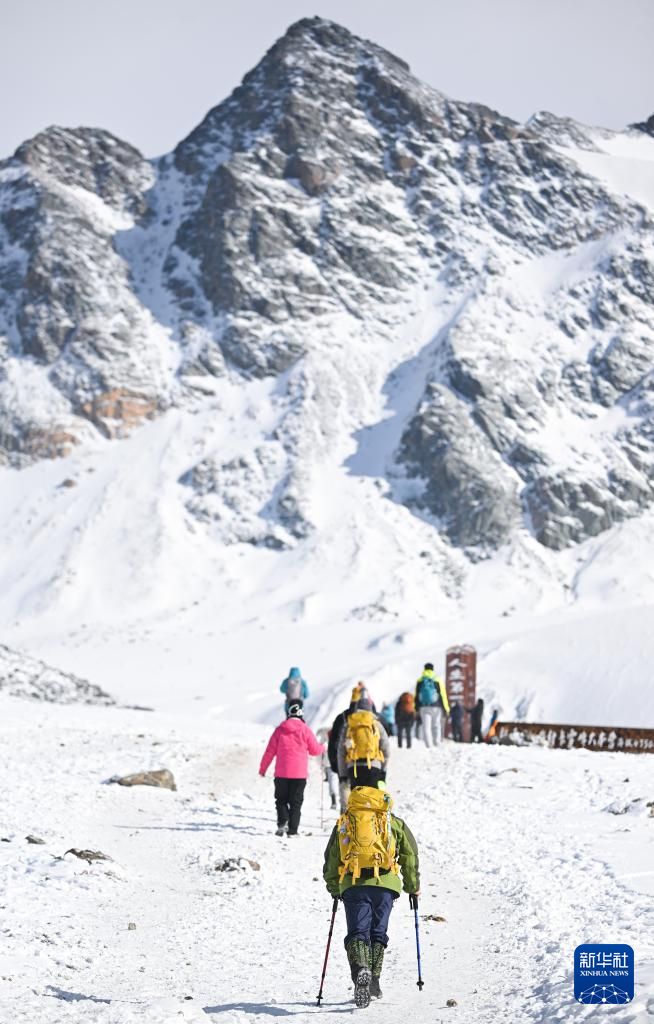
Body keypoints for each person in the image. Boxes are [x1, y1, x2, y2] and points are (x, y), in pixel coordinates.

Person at [323, 781, 420, 1006]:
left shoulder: (345, 822)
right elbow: (410, 854)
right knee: (378, 933)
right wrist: (413, 886)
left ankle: (360, 970)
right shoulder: (392, 821)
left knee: (358, 933)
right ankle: (374, 982)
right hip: (385, 886)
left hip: (354, 885)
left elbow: (332, 858)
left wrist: (334, 888)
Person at [259, 702, 323, 836]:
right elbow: (315, 751)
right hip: (299, 774)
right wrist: (323, 747)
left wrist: (263, 769)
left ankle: (283, 822)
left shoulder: (280, 729)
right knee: (296, 803)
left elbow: (270, 751)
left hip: (281, 774)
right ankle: (293, 831)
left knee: (281, 800)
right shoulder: (305, 730)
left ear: (289, 714)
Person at [337, 694, 390, 790]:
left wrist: (343, 775)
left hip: (354, 768)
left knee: (356, 797)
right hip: (373, 767)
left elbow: (341, 752)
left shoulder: (349, 725)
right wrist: (383, 771)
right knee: (372, 797)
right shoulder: (376, 724)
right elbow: (386, 750)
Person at [414, 662, 450, 748]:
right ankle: (436, 743)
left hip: (424, 707)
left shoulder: (420, 680)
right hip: (436, 706)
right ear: (432, 669)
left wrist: (416, 708)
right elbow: (443, 695)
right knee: (436, 725)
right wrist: (446, 708)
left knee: (426, 727)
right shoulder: (437, 679)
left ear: (425, 669)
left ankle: (428, 746)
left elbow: (416, 695)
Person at [317, 727, 339, 810]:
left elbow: (321, 747)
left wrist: (321, 762)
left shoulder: (326, 734)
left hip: (330, 761)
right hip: (339, 761)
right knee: (338, 781)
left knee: (332, 780)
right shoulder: (340, 733)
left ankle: (334, 801)